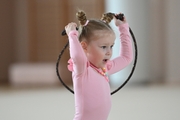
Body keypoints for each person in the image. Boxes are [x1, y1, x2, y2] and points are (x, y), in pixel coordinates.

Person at [65, 10, 133, 120]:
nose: (109, 52)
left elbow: (126, 58)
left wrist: (123, 28)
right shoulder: (83, 69)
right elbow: (77, 57)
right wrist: (72, 35)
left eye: (111, 46)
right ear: (84, 46)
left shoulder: (104, 68)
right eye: (103, 47)